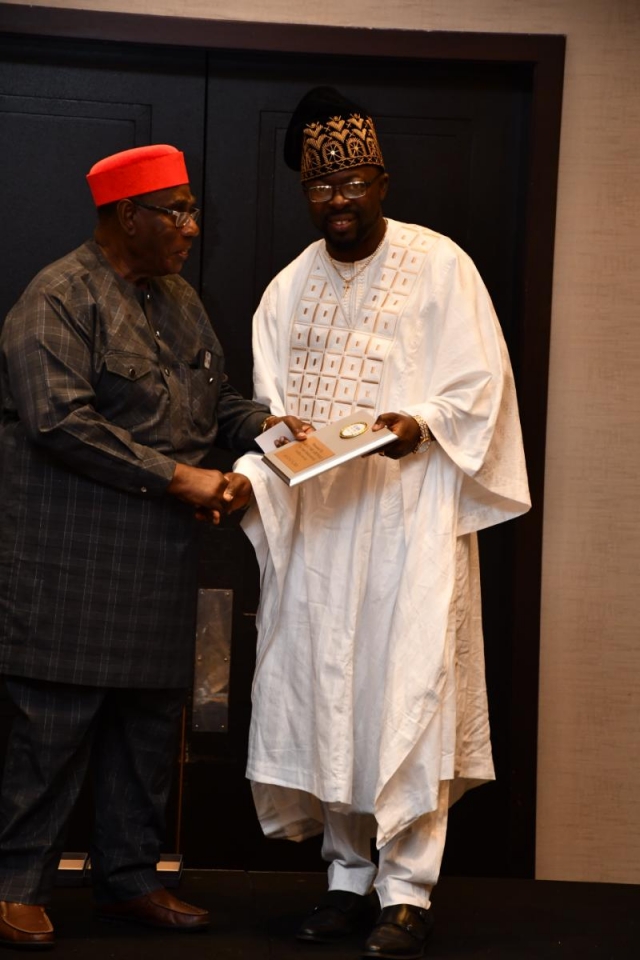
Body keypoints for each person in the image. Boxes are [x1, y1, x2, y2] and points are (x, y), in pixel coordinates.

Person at [234, 87, 531, 959]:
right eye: (322, 187)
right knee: (331, 693)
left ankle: (407, 891)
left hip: (411, 519)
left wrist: (422, 423)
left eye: (354, 183)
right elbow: (272, 413)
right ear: (305, 192)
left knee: (408, 693)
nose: (339, 200)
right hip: (323, 526)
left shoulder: (441, 266)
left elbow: (480, 382)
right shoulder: (286, 290)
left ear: (383, 182)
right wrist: (275, 439)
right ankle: (345, 879)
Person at [0, 143, 302, 950]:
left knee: (147, 730)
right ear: (126, 215)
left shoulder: (179, 299)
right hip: (68, 560)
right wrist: (181, 478)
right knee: (52, 731)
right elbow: (58, 421)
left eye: (192, 211)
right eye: (178, 212)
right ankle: (15, 887)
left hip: (160, 561)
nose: (192, 228)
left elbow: (215, 399)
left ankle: (129, 880)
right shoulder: (57, 298)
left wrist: (272, 431)